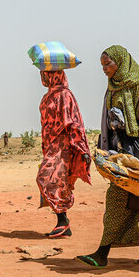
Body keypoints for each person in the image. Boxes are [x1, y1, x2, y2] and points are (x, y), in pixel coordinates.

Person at [76, 45, 139, 268]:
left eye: (108, 64)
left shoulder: (138, 85)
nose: (105, 69)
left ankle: (102, 254)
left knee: (117, 199)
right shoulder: (114, 86)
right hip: (119, 148)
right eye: (102, 65)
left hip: (134, 150)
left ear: (121, 63)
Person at [36, 70, 92, 238]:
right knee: (57, 181)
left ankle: (63, 221)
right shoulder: (47, 96)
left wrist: (80, 147)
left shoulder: (65, 95)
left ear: (55, 75)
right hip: (51, 145)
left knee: (46, 178)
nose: (43, 78)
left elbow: (75, 121)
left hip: (64, 145)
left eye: (46, 74)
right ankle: (63, 223)